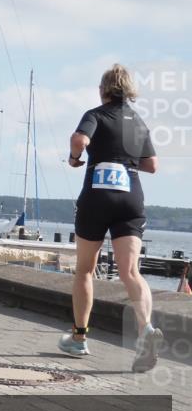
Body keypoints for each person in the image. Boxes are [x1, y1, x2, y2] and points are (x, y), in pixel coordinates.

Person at [61, 63, 162, 372]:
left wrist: (75, 158)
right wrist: (127, 160)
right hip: (130, 197)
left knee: (85, 270)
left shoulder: (96, 114)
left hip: (97, 197)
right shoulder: (138, 122)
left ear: (103, 90)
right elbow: (152, 165)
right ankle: (146, 329)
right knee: (130, 271)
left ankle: (79, 339)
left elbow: (79, 140)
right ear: (129, 90)